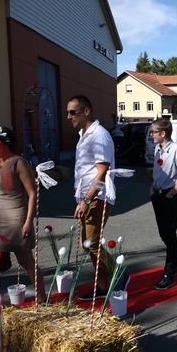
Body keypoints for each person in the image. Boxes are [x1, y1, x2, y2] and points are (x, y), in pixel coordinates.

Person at [0, 127, 46, 303]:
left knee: (25, 261)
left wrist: (28, 221)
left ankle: (42, 298)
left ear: (3, 144)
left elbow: (32, 193)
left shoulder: (18, 162)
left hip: (16, 220)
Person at [69, 95, 115, 301]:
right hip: (87, 198)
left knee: (91, 243)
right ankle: (104, 283)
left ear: (86, 111)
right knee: (88, 244)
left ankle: (118, 276)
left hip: (98, 197)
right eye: (68, 112)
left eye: (73, 112)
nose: (69, 116)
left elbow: (102, 171)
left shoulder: (99, 135)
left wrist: (86, 201)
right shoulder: (84, 134)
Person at [147, 118, 177, 290]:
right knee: (164, 233)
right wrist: (153, 188)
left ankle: (169, 272)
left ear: (163, 133)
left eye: (154, 131)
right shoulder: (158, 149)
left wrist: (173, 192)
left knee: (169, 232)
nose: (151, 135)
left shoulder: (176, 149)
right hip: (158, 195)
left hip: (169, 195)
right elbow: (158, 170)